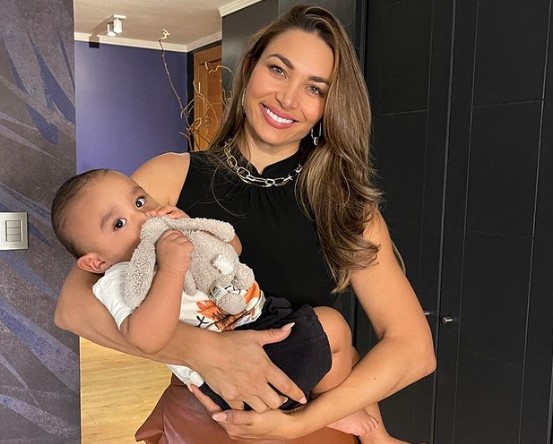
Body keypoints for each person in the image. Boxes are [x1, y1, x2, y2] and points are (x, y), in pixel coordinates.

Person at [54, 5, 436, 443]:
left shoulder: (344, 206)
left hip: (314, 421)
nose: (287, 98)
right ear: (251, 67)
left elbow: (413, 348)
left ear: (328, 106)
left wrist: (300, 422)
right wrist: (205, 350)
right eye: (278, 69)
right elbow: (73, 307)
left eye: (314, 87)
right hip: (207, 420)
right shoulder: (170, 176)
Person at [50, 168, 377, 436]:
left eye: (139, 201)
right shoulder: (120, 278)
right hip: (224, 376)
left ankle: (323, 408)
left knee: (334, 334)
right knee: (331, 327)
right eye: (119, 224)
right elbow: (145, 337)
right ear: (96, 262)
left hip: (259, 319)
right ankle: (327, 410)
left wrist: (190, 226)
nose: (144, 217)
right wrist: (172, 269)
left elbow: (232, 249)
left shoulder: (175, 235)